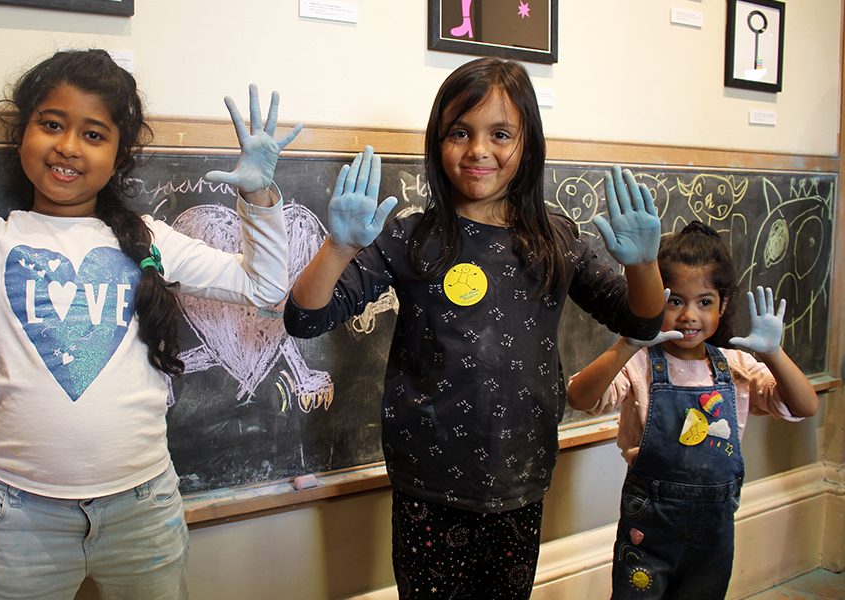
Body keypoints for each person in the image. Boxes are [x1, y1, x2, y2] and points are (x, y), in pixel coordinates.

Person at [0, 35, 300, 599]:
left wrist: (260, 197)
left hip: (144, 507)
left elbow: (266, 288)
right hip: (20, 518)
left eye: (93, 134)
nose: (68, 147)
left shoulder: (151, 239)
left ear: (118, 155)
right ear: (24, 134)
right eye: (51, 124)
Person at [283, 56, 666, 599]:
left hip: (522, 479)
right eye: (459, 132)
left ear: (527, 144)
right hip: (427, 485)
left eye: (500, 133)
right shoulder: (412, 238)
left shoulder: (555, 239)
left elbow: (640, 319)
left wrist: (644, 264)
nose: (478, 150)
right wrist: (339, 247)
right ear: (438, 143)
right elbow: (305, 318)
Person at [566, 221, 819, 600]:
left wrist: (773, 353)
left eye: (704, 302)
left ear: (723, 305)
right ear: (656, 300)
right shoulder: (641, 364)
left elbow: (805, 406)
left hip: (713, 536)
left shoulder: (737, 367)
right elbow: (580, 398)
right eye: (675, 301)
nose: (689, 316)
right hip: (649, 529)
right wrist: (626, 343)